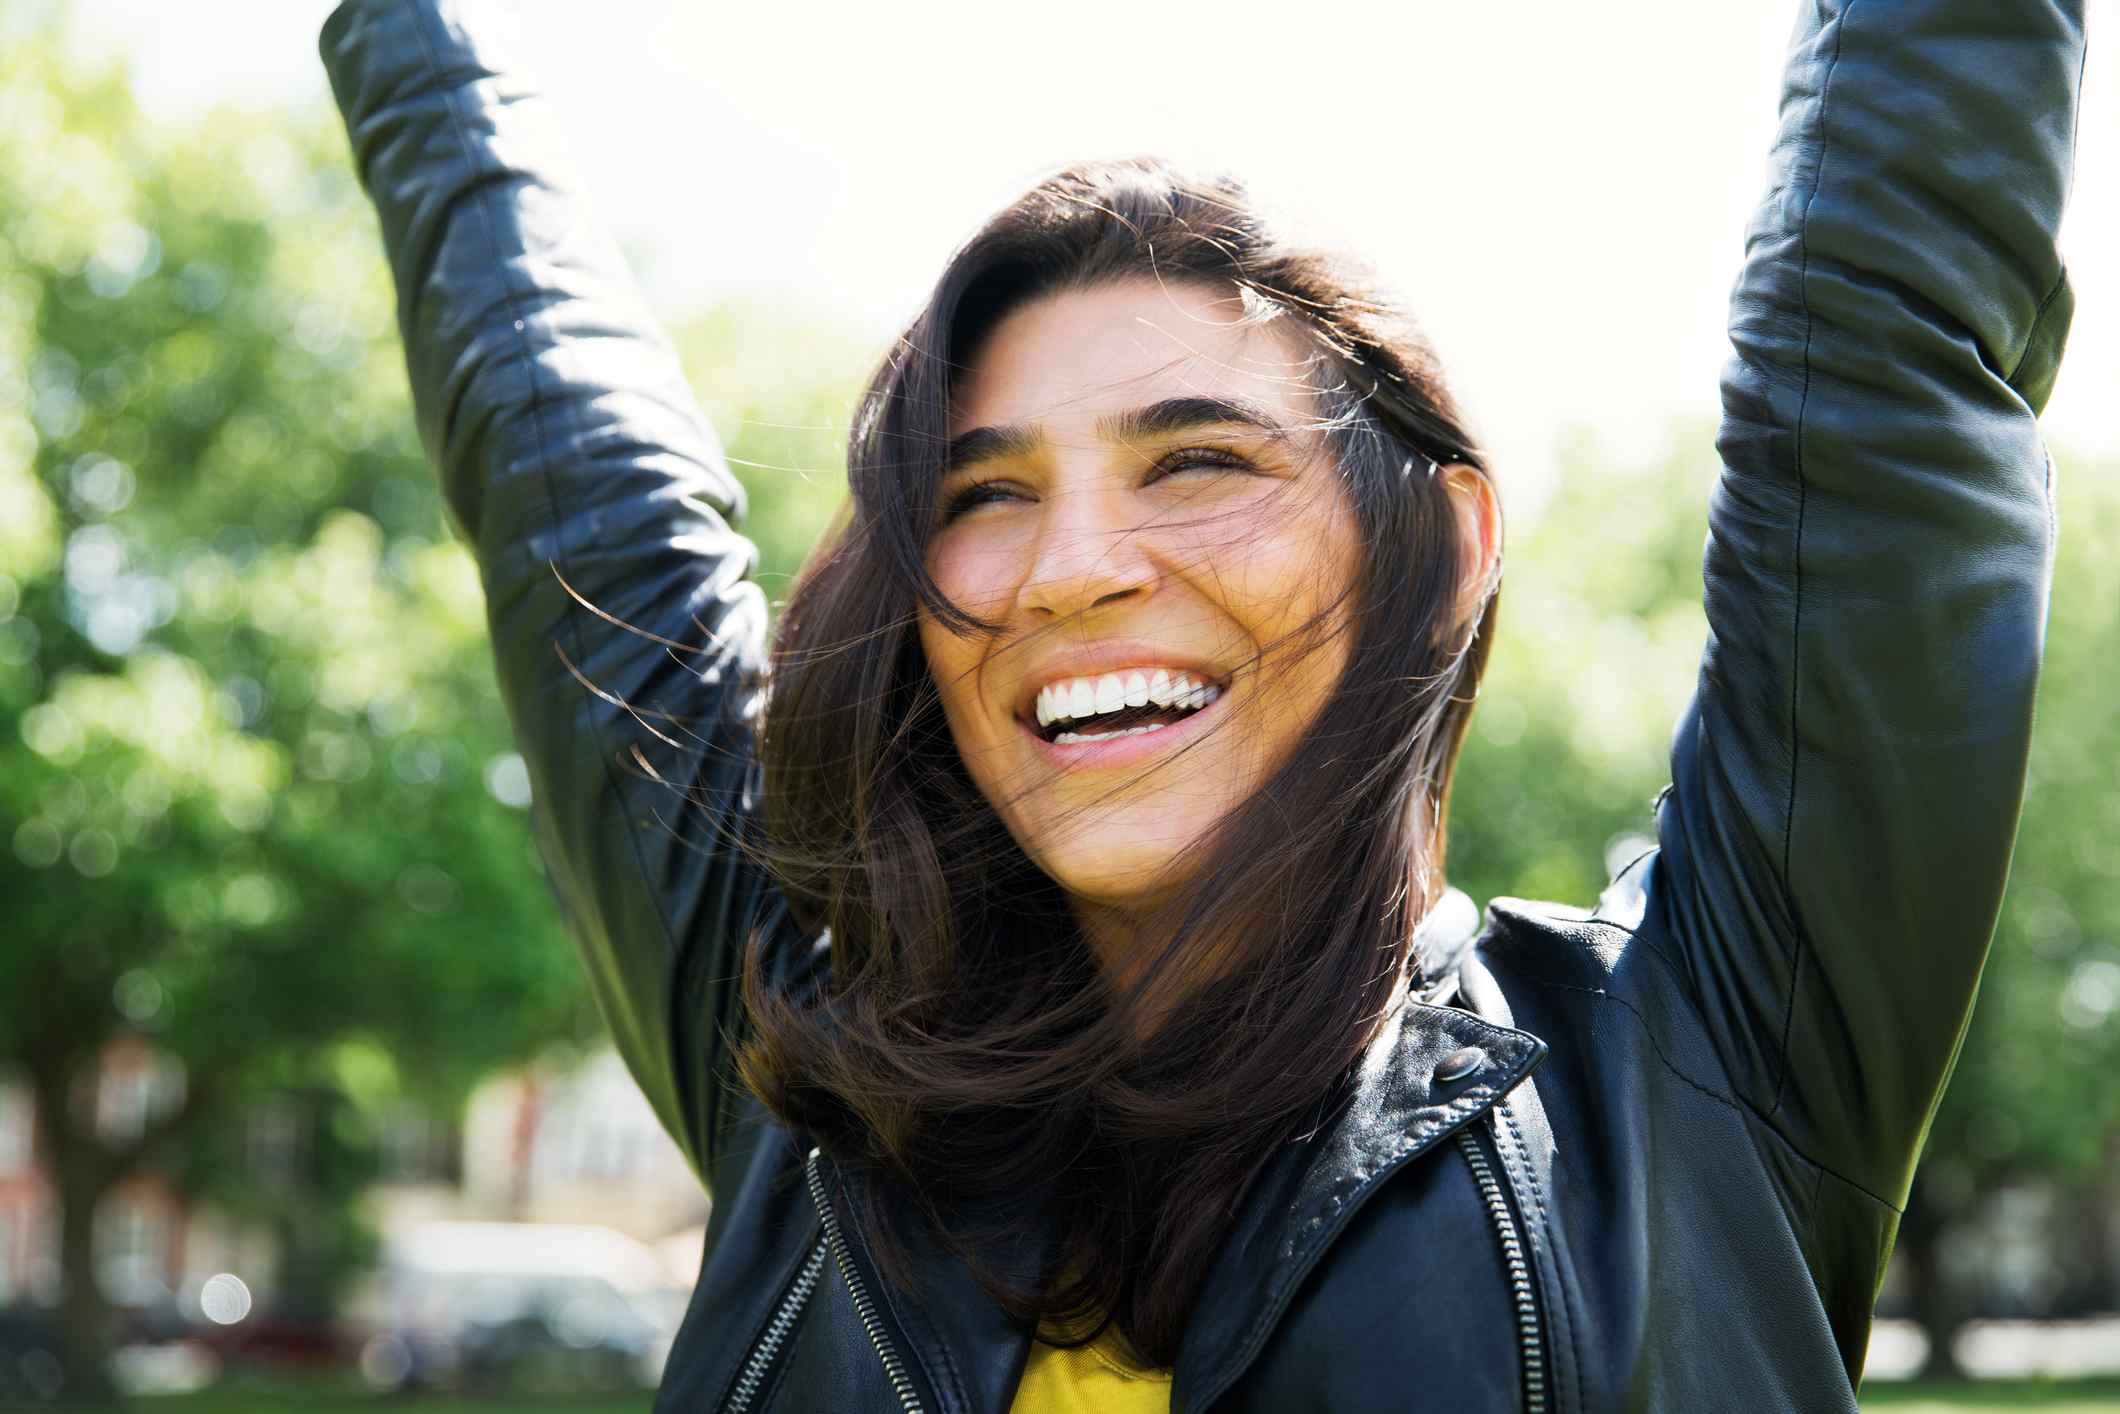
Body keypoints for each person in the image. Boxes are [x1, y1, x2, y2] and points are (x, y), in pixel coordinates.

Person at [319, 0, 2087, 1408]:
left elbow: (1883, 354)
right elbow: (561, 450)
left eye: (1200, 460)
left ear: (1448, 542)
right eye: (985, 490)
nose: (1073, 565)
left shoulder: (1698, 1071)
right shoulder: (809, 1080)